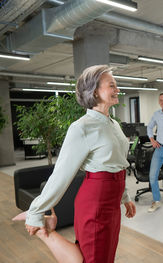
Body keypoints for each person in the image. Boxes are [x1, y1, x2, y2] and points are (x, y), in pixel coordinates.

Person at [13, 65, 136, 263]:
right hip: (95, 201)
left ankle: (46, 230)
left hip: (111, 202)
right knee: (93, 259)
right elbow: (61, 174)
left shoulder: (113, 124)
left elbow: (118, 164)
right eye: (112, 85)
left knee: (103, 257)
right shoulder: (81, 127)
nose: (117, 89)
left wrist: (125, 197)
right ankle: (44, 231)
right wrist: (36, 210)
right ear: (95, 91)